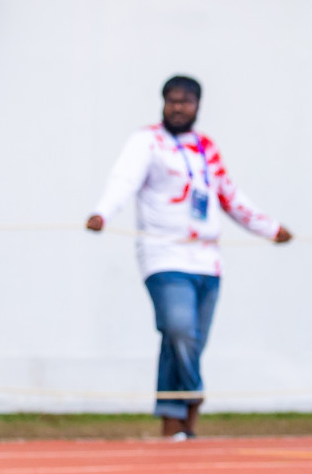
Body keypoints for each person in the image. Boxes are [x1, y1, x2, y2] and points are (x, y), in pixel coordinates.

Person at [86, 76, 292, 440]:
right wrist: (102, 213)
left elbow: (230, 196)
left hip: (207, 261)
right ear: (163, 102)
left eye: (186, 101)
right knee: (179, 328)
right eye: (172, 100)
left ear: (198, 105)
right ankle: (193, 399)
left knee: (187, 341)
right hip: (164, 256)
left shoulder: (206, 148)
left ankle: (174, 425)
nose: (178, 107)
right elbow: (124, 180)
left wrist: (271, 228)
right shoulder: (147, 141)